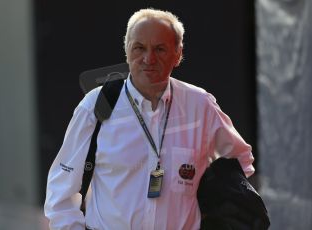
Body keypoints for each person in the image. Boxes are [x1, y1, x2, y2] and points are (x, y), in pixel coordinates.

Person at [44, 8, 255, 230]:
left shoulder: (200, 105)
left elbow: (240, 159)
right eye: (139, 48)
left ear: (178, 53)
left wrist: (218, 209)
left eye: (160, 49)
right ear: (126, 50)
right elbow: (61, 190)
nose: (148, 58)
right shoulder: (95, 105)